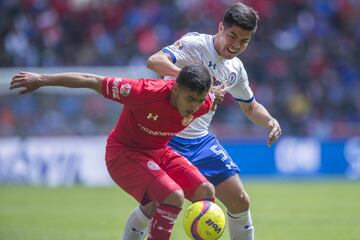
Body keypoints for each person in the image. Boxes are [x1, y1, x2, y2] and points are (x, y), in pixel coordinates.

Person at [123, 2, 282, 240]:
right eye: (233, 36)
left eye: (244, 41)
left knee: (240, 200)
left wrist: (269, 120)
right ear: (220, 28)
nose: (236, 45)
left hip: (200, 143)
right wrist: (193, 80)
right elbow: (154, 61)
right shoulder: (195, 45)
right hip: (167, 139)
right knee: (153, 205)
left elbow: (250, 106)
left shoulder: (235, 68)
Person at [9, 65, 217, 240]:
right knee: (172, 196)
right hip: (123, 154)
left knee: (205, 192)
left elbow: (210, 98)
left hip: (158, 152)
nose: (195, 106)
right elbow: (90, 80)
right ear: (175, 88)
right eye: (190, 99)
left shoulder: (204, 104)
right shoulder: (143, 92)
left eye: (200, 100)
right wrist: (42, 79)